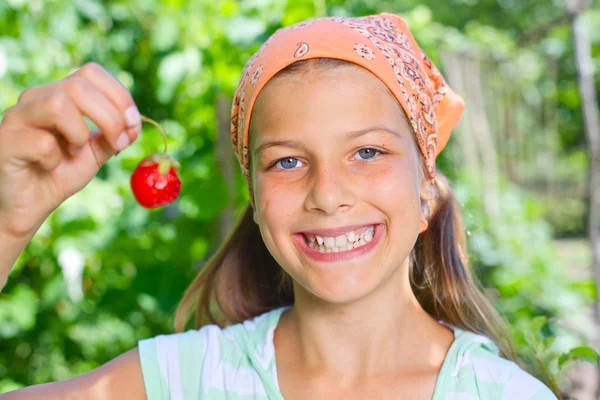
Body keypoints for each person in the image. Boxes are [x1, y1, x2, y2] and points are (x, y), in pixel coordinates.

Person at [0, 12, 558, 400]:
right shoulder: (182, 380)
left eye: (367, 151)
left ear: (426, 192)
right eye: (287, 162)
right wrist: (8, 221)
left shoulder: (501, 394)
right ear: (256, 200)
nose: (327, 193)